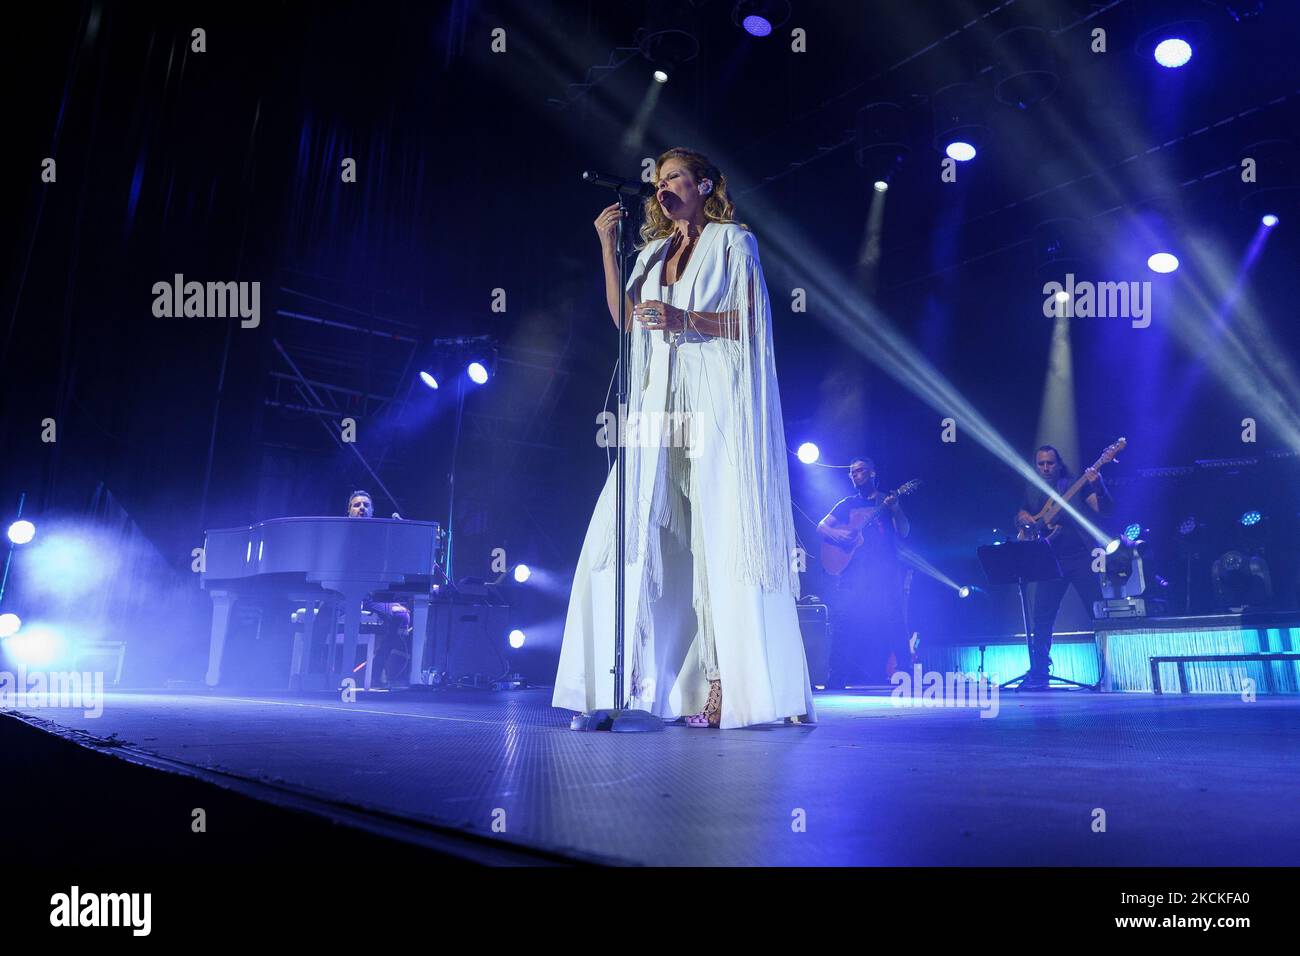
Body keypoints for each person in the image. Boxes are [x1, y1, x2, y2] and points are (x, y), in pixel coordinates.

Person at [552, 147, 815, 728]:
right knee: (626, 530)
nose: (663, 186)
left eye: (674, 176)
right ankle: (617, 685)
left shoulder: (733, 242)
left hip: (715, 404)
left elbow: (752, 322)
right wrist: (606, 249)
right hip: (658, 407)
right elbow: (626, 320)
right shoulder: (649, 254)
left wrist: (686, 321)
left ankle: (734, 684)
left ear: (704, 184)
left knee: (721, 535)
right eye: (658, 179)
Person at [1015, 446, 1109, 689]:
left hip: (1080, 558)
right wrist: (1023, 518)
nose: (1045, 468)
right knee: (1042, 619)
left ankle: (1108, 672)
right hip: (1049, 560)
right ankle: (1039, 674)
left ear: (1059, 464)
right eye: (1041, 464)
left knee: (1097, 614)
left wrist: (1098, 484)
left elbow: (1104, 509)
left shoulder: (1075, 484)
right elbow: (1022, 513)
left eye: (1050, 463)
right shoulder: (1034, 490)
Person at [816, 457, 911, 684]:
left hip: (884, 570)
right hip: (853, 571)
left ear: (872, 473)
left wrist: (896, 508)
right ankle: (837, 675)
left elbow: (904, 532)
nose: (855, 475)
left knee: (894, 619)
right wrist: (838, 535)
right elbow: (821, 526)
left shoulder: (886, 501)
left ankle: (906, 673)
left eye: (860, 471)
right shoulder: (846, 504)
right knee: (844, 620)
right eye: (852, 472)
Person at [343, 490, 411, 685]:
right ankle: (318, 670)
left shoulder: (382, 536)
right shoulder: (339, 533)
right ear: (349, 511)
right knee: (323, 617)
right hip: (340, 595)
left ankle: (375, 670)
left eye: (366, 505)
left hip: (370, 598)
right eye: (357, 505)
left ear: (372, 511)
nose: (361, 508)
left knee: (401, 614)